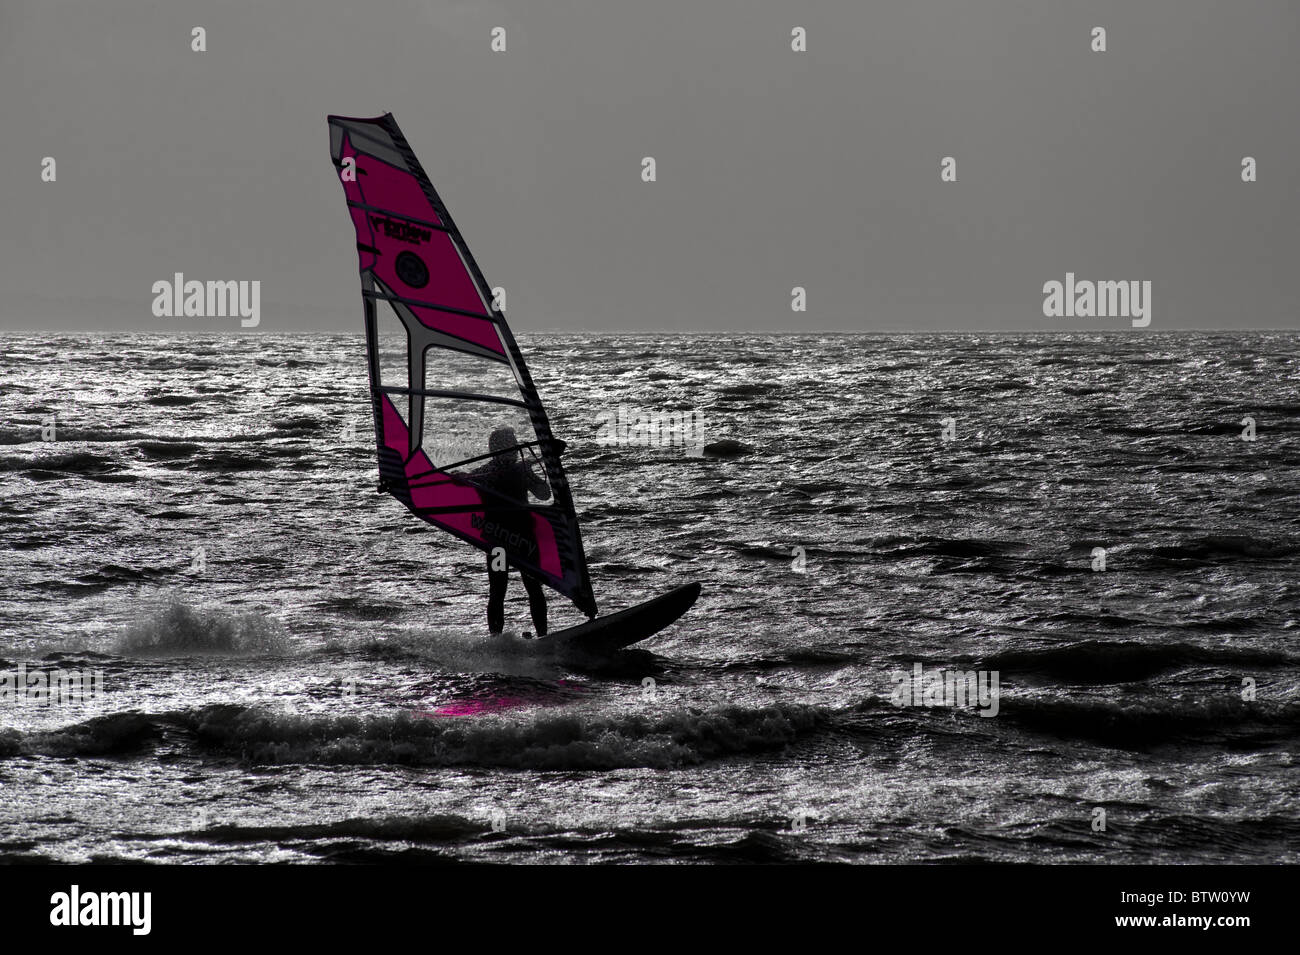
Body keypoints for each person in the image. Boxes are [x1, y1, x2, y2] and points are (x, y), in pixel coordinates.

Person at [468, 425, 551, 637]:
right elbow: (461, 482)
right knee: (505, 590)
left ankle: (539, 636)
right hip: (510, 542)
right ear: (503, 448)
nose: (516, 449)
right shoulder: (486, 473)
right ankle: (508, 637)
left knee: (524, 588)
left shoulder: (494, 472)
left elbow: (543, 494)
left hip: (513, 541)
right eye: (513, 445)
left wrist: (548, 466)